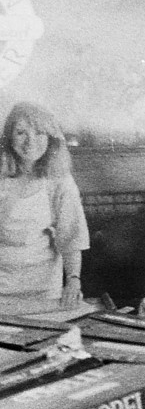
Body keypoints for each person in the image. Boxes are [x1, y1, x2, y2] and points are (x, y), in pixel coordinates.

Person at [0, 101, 89, 315]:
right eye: (21, 132)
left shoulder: (60, 180)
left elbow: (71, 236)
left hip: (44, 290)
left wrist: (73, 281)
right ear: (9, 138)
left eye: (39, 133)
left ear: (50, 138)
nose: (30, 141)